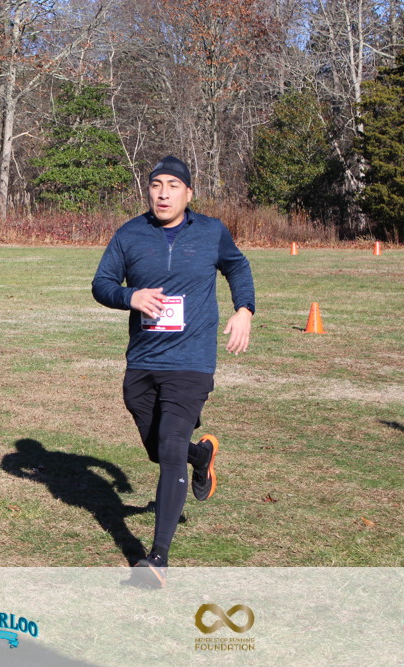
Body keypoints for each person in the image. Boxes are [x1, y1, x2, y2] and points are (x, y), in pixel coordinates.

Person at [91, 155, 255, 587]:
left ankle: (157, 558)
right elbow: (101, 284)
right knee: (159, 448)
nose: (163, 194)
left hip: (191, 360)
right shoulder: (129, 234)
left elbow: (237, 265)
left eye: (173, 186)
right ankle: (201, 456)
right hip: (143, 360)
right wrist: (130, 297)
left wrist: (244, 309)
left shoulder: (211, 232)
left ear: (188, 193)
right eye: (156, 185)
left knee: (168, 448)